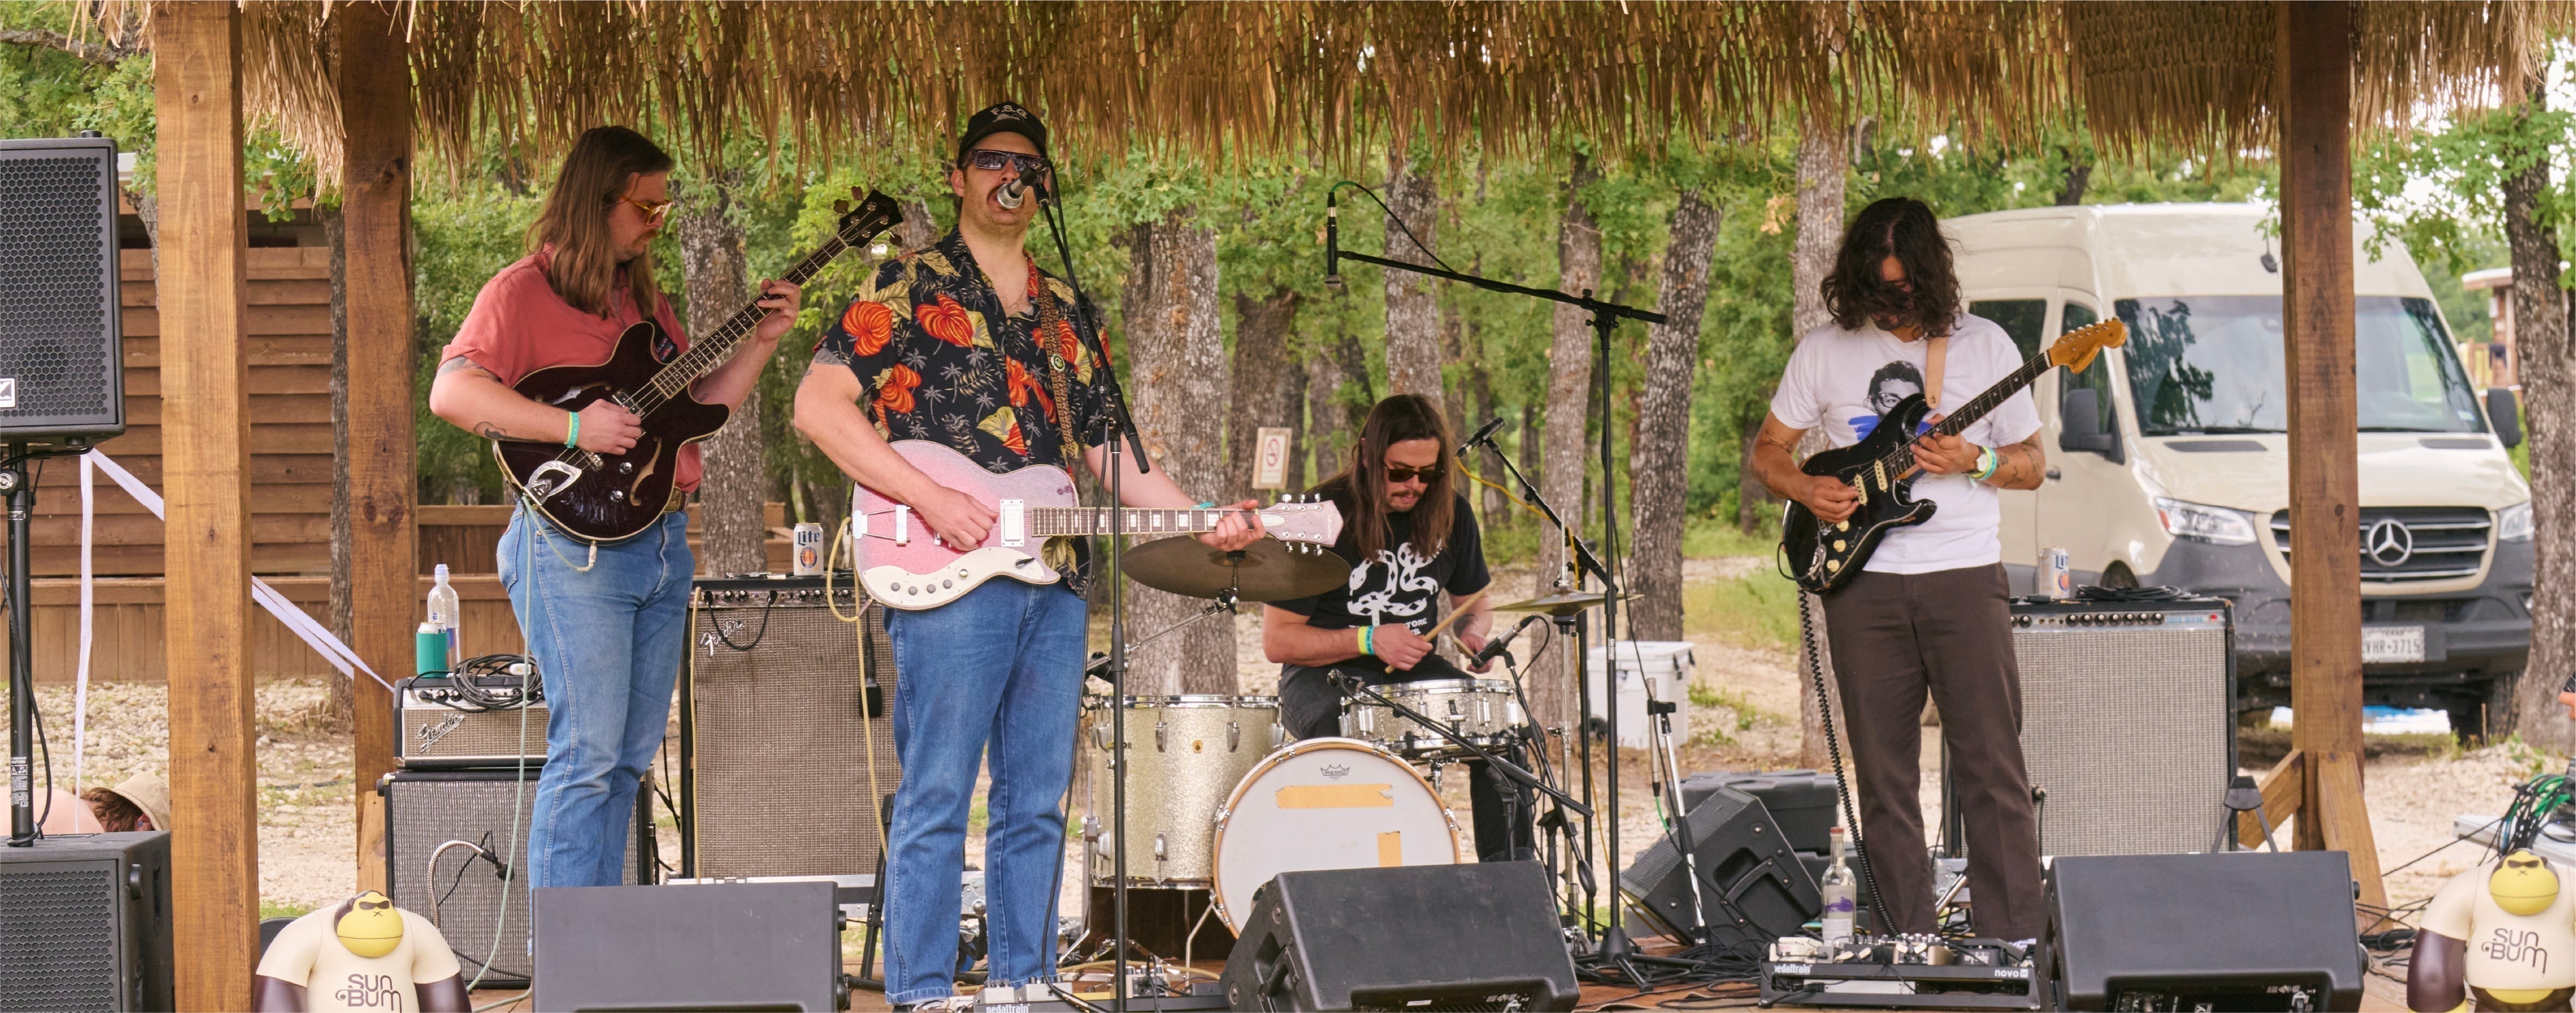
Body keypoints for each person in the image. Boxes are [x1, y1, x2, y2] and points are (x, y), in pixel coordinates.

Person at [791, 102, 1261, 1012]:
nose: (1012, 175)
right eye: (992, 160)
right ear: (959, 176)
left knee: (1037, 797)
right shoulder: (905, 285)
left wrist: (1202, 515)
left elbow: (1110, 452)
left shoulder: (1066, 309)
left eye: (1028, 164)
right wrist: (928, 494)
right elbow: (818, 407)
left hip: (1054, 571)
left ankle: (1025, 983)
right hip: (950, 565)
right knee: (937, 792)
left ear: (1041, 185)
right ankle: (922, 992)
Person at [427, 126, 801, 891]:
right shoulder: (519, 292)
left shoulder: (644, 303)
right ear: (596, 200)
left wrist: (761, 342)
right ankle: (569, 978)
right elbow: (453, 393)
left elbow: (696, 414)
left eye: (665, 209)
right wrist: (572, 426)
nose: (656, 222)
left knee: (628, 763)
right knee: (587, 755)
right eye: (646, 207)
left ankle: (602, 953)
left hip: (660, 544)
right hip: (574, 551)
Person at [1749, 196, 2048, 943]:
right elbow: (1767, 452)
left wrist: (1975, 459)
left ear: (1929, 275)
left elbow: (2033, 465)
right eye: (1879, 289)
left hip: (1963, 576)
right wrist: (1805, 488)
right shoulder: (1824, 350)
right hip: (1863, 586)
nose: (1894, 301)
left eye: (1906, 287)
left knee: (1991, 768)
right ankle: (1901, 945)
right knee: (1884, 779)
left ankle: (2010, 944)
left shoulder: (1984, 345)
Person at [1264, 394, 1529, 861]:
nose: (1414, 485)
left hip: (1415, 670)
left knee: (1504, 739)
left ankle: (1511, 888)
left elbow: (1474, 604)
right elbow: (1279, 640)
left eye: (1428, 474)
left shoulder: (1452, 513)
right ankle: (1354, 884)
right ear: (1367, 455)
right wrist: (1367, 638)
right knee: (1343, 742)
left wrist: (1472, 633)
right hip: (1322, 676)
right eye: (1399, 471)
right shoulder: (1311, 514)